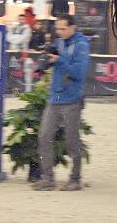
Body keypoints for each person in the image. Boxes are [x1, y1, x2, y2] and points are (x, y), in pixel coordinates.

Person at [32, 14, 90, 192]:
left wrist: (60, 60)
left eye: (63, 29)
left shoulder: (82, 45)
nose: (59, 32)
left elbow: (79, 73)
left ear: (73, 27)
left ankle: (75, 179)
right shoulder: (58, 43)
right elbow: (55, 65)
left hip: (72, 99)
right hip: (54, 98)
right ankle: (47, 178)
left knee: (72, 141)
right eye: (58, 29)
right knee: (44, 136)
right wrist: (46, 62)